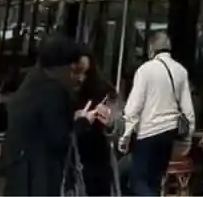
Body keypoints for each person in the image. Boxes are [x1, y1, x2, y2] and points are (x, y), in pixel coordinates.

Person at [1, 33, 92, 196]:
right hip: (39, 176)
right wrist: (83, 122)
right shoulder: (54, 92)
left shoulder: (30, 83)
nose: (76, 78)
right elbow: (60, 139)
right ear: (60, 67)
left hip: (19, 170)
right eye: (73, 70)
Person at [119, 31, 195, 196]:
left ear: (151, 48)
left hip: (147, 133)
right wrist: (187, 139)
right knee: (155, 180)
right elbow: (188, 111)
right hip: (169, 134)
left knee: (138, 181)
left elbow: (133, 107)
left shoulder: (145, 70)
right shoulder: (181, 71)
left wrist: (125, 135)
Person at [73, 47, 119, 196]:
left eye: (84, 73)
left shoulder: (102, 89)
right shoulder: (67, 90)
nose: (80, 78)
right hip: (81, 147)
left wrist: (109, 120)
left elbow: (114, 120)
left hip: (94, 149)